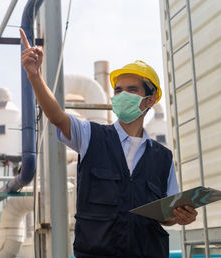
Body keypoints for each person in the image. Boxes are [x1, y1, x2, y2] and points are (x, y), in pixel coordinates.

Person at [19, 28, 198, 258]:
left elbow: (167, 215)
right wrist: (35, 75)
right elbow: (56, 116)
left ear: (150, 99)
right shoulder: (90, 136)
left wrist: (181, 217)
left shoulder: (163, 158)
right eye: (118, 90)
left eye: (132, 90)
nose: (122, 95)